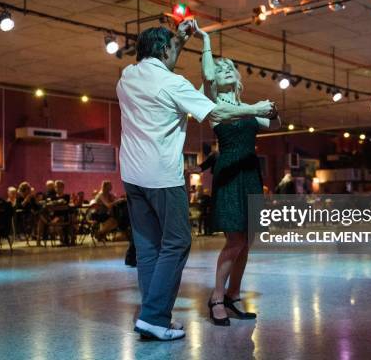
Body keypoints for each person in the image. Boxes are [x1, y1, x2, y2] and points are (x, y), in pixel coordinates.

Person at [117, 20, 275, 341]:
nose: (176, 52)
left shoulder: (127, 76)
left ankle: (151, 316)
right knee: (177, 243)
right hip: (161, 177)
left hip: (131, 177)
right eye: (173, 48)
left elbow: (163, 55)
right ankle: (155, 317)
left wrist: (181, 37)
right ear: (164, 50)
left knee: (148, 250)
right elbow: (216, 113)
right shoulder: (174, 83)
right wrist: (255, 107)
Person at [195, 20, 280, 326]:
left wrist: (271, 111)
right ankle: (216, 297)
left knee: (247, 241)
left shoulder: (248, 106)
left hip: (250, 175)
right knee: (234, 240)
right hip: (229, 174)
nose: (226, 70)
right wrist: (205, 40)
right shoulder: (211, 101)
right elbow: (207, 75)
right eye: (222, 68)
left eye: (231, 67)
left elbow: (274, 124)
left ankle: (233, 295)